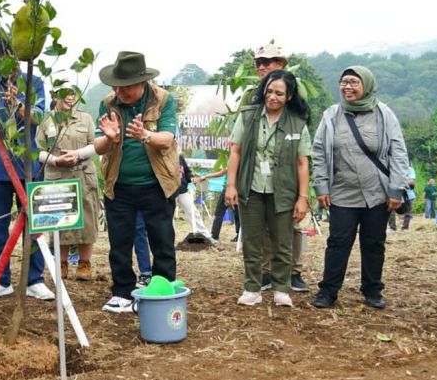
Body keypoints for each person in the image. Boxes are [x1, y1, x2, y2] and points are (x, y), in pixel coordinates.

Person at [310, 66, 408, 310]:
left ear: (367, 85)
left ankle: (372, 290)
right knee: (338, 242)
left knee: (374, 243)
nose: (348, 87)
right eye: (344, 82)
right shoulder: (331, 115)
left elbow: (398, 153)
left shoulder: (385, 114)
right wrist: (321, 186)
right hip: (342, 192)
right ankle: (328, 291)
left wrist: (396, 188)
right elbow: (319, 153)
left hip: (377, 193)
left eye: (354, 82)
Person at [94, 51, 180, 313]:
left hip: (157, 183)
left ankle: (162, 289)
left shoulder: (163, 100)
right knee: (119, 241)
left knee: (161, 239)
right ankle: (122, 292)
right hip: (119, 184)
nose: (120, 92)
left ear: (142, 82)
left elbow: (167, 139)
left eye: (126, 87)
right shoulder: (108, 103)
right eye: (116, 86)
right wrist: (109, 138)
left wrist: (145, 135)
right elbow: (98, 146)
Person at [0, 36, 54, 301]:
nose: (5, 62)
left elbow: (37, 117)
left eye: (9, 56)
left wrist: (19, 104)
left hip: (28, 165)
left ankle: (34, 280)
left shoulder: (35, 83)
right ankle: (2, 280)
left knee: (35, 224)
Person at [225, 71, 311, 307]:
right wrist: (231, 185)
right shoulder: (249, 116)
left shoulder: (297, 122)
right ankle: (252, 288)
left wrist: (302, 198)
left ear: (289, 96)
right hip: (251, 188)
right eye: (269, 91)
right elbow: (236, 151)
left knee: (283, 242)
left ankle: (281, 289)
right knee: (252, 241)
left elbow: (302, 162)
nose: (273, 97)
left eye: (279, 93)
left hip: (282, 191)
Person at [35, 91, 100, 281]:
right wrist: (56, 161)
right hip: (57, 177)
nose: (70, 98)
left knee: (87, 220)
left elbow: (95, 145)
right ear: (54, 95)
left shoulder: (85, 118)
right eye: (65, 94)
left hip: (83, 175)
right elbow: (38, 151)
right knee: (60, 221)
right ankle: (61, 264)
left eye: (73, 94)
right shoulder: (46, 120)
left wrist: (77, 154)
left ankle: (84, 263)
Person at [174, 154, 212, 240]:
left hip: (182, 190)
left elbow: (187, 172)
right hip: (169, 191)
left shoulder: (179, 157)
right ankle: (168, 240)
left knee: (193, 212)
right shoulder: (163, 155)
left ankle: (206, 236)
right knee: (169, 217)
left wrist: (192, 178)